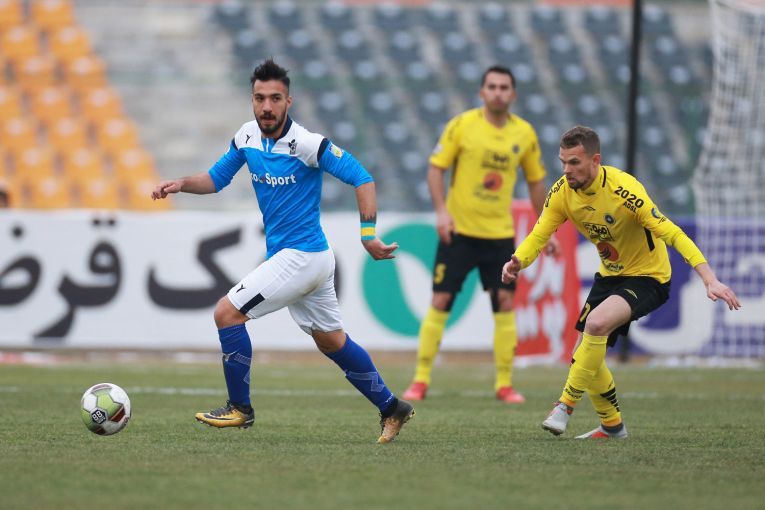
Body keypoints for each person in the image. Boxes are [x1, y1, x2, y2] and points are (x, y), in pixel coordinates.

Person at [151, 59, 414, 444]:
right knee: (331, 341)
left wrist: (368, 234)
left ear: (288, 101)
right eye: (260, 98)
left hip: (303, 256)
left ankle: (240, 408)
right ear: (252, 100)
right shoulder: (246, 137)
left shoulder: (307, 144)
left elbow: (362, 178)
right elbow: (216, 179)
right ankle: (392, 408)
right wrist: (181, 183)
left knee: (227, 313)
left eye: (275, 98)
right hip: (305, 259)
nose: (267, 107)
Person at [502, 126, 741, 438]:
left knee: (596, 324)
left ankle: (564, 406)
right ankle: (612, 426)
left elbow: (672, 233)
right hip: (610, 276)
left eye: (574, 162)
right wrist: (518, 261)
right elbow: (540, 233)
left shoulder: (625, 191)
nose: (567, 170)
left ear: (595, 160)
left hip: (648, 277)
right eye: (563, 162)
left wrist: (709, 279)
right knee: (583, 354)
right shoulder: (562, 192)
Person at [402, 65, 559, 403]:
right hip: (458, 232)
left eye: (504, 87)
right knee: (440, 300)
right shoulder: (462, 125)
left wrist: (544, 229)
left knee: (504, 303)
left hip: (499, 235)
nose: (498, 93)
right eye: (492, 86)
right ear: (482, 92)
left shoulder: (525, 134)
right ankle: (420, 380)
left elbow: (536, 182)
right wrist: (441, 212)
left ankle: (504, 384)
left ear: (513, 94)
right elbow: (436, 169)